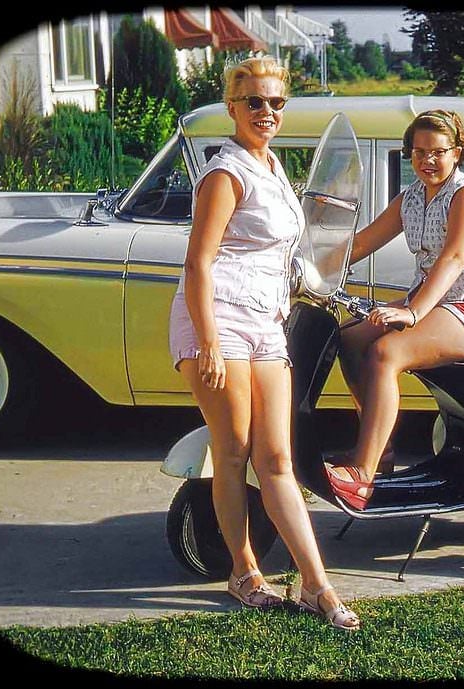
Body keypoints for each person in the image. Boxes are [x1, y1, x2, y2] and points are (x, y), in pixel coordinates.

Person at [168, 56, 359, 630]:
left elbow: (278, 251)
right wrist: (205, 342)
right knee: (232, 451)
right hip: (216, 319)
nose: (267, 112)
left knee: (277, 457)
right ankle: (244, 571)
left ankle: (316, 586)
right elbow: (198, 263)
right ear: (232, 107)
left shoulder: (272, 166)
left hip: (264, 320)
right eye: (254, 102)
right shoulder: (225, 172)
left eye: (276, 102)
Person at [325, 109, 464, 510]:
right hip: (434, 299)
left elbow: (454, 258)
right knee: (348, 339)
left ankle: (362, 473)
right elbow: (361, 243)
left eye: (437, 152)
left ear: (458, 151)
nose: (427, 161)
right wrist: (308, 263)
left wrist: (412, 313)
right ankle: (383, 449)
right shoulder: (411, 197)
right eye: (418, 153)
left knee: (386, 352)